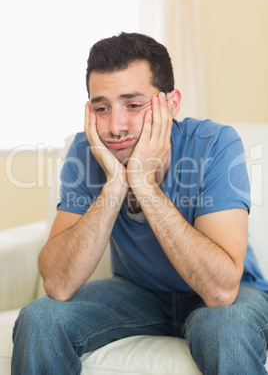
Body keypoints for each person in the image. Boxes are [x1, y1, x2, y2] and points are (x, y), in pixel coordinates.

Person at [12, 32, 268, 374]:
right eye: (101, 108)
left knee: (225, 328)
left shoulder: (215, 143)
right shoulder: (84, 152)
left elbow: (220, 291)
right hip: (138, 292)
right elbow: (58, 284)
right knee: (40, 319)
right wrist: (116, 184)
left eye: (133, 105)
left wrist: (144, 184)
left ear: (172, 104)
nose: (116, 127)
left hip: (228, 293)